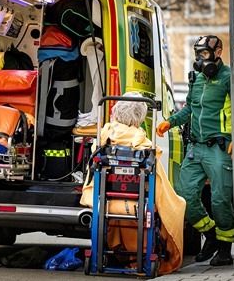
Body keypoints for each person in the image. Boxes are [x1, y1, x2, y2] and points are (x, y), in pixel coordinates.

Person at [156, 35, 234, 266]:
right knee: (184, 196)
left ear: (218, 52)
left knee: (220, 200)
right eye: (198, 53)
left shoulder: (231, 77)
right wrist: (171, 121)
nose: (200, 58)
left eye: (205, 53)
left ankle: (225, 250)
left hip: (219, 148)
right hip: (195, 147)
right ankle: (210, 236)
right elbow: (189, 107)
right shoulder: (196, 78)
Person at [80, 91, 186, 275]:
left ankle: (110, 256)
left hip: (107, 203)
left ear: (117, 110)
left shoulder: (104, 139)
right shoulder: (144, 146)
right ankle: (144, 257)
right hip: (137, 205)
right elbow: (160, 190)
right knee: (177, 204)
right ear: (140, 116)